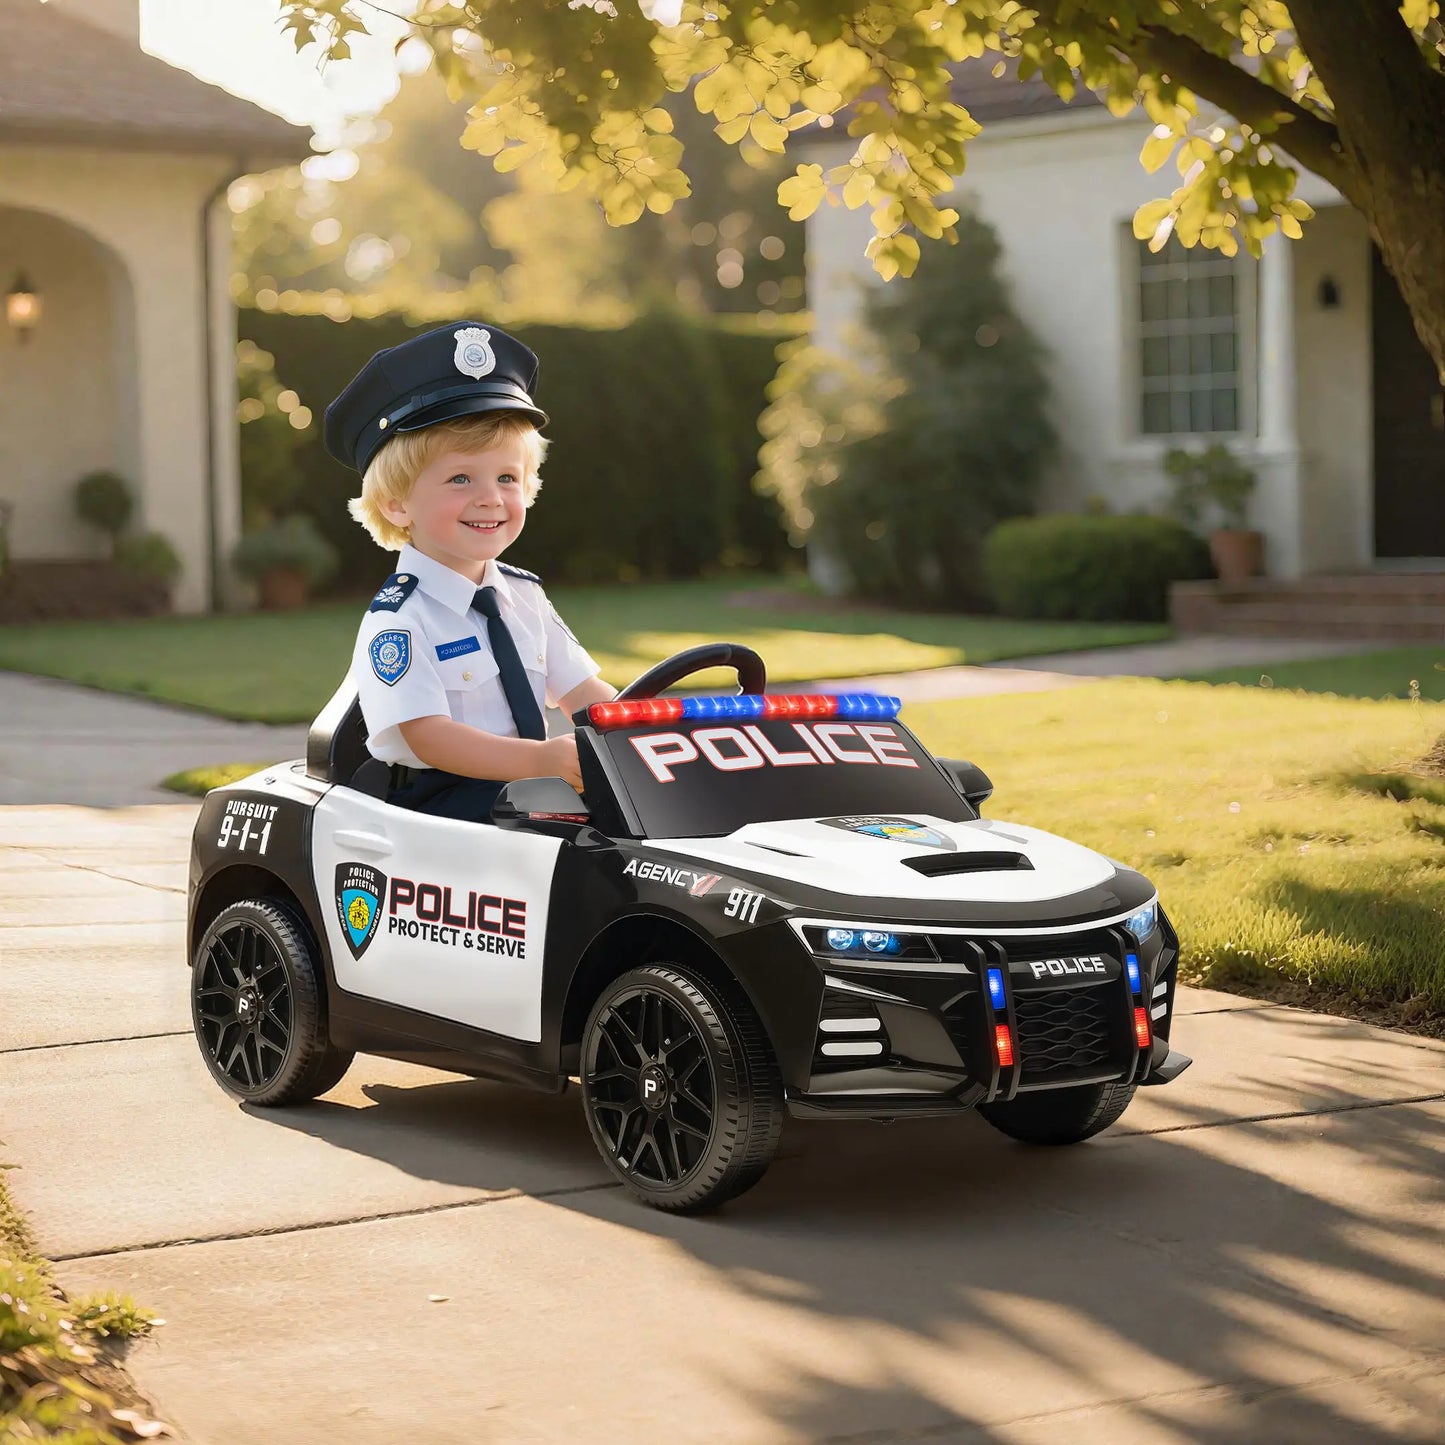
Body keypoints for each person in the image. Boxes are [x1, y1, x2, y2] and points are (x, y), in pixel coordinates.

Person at [323, 322, 617, 820]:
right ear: (397, 505)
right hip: (441, 809)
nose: (491, 497)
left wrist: (648, 728)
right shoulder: (399, 621)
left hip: (526, 796)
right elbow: (427, 736)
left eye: (508, 477)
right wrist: (541, 760)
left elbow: (585, 696)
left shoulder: (524, 598)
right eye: (461, 478)